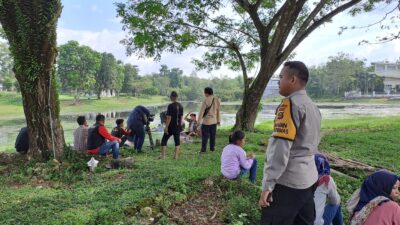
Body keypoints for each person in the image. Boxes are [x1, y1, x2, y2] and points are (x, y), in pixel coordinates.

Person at [259, 61, 321, 225]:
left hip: (288, 182)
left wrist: (267, 185)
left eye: (280, 77)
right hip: (309, 178)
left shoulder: (289, 105)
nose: (278, 81)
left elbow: (280, 150)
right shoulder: (313, 106)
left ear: (292, 80)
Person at [314, 154, 343, 225]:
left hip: (293, 220)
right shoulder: (326, 180)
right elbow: (335, 201)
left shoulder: (299, 178)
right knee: (337, 203)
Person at [160, 91, 183, 160]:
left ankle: (163, 157)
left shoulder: (170, 106)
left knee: (164, 140)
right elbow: (181, 117)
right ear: (177, 97)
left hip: (171, 126)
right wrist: (179, 126)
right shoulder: (181, 106)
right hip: (177, 126)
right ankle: (175, 157)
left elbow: (169, 117)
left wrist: (166, 127)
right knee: (177, 141)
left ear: (171, 97)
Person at [197, 87, 221, 153]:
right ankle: (212, 149)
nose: (204, 94)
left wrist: (198, 122)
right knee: (213, 136)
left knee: (205, 136)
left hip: (206, 122)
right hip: (214, 121)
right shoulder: (217, 99)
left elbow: (201, 112)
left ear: (206, 93)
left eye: (204, 92)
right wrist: (218, 120)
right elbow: (218, 111)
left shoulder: (206, 100)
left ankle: (203, 150)